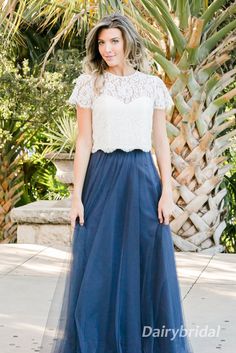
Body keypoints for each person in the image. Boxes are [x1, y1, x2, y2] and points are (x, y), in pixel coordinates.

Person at [40, 12, 194, 353]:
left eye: (114, 41)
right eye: (101, 43)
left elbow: (160, 141)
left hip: (142, 179)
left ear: (127, 43)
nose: (107, 49)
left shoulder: (151, 85)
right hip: (102, 179)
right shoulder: (89, 84)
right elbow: (83, 141)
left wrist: (167, 191)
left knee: (146, 265)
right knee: (99, 265)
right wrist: (76, 196)